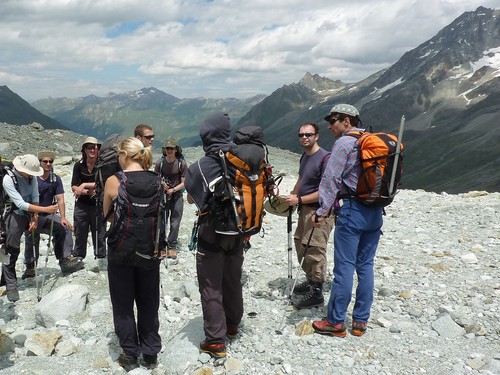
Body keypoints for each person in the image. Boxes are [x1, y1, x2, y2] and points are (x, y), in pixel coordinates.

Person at [311, 104, 383, 338]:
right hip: (375, 211)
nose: (329, 126)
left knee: (344, 268)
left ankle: (336, 322)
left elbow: (330, 179)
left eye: (333, 121)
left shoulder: (344, 143)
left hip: (352, 210)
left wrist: (322, 211)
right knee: (366, 266)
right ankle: (361, 321)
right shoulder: (371, 140)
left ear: (346, 121)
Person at [184, 112, 244, 359]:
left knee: (210, 285)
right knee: (232, 279)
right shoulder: (243, 157)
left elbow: (191, 198)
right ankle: (232, 325)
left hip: (212, 231)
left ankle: (215, 340)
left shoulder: (201, 166)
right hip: (240, 230)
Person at [103, 137, 161, 371]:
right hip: (150, 248)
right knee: (149, 301)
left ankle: (129, 352)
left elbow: (106, 215)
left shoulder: (114, 181)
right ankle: (150, 352)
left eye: (118, 154)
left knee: (123, 302)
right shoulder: (158, 180)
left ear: (125, 156)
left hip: (121, 249)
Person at [285, 123, 334, 309]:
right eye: (301, 135)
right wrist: (292, 196)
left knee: (314, 248)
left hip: (319, 211)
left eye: (308, 134)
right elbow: (301, 179)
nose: (304, 137)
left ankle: (317, 291)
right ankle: (311, 280)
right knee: (301, 243)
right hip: (305, 209)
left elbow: (326, 191)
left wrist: (299, 199)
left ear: (317, 136)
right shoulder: (305, 156)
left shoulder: (325, 158)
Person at [0, 154, 58, 302]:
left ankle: (10, 276)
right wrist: (46, 210)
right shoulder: (8, 179)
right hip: (14, 214)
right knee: (11, 248)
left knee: (30, 239)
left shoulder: (31, 178)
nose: (33, 175)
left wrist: (35, 216)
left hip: (29, 213)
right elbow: (19, 203)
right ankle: (11, 285)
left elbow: (35, 196)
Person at [22, 151, 83, 278]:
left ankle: (65, 258)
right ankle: (30, 266)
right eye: (45, 161)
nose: (48, 164)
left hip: (48, 213)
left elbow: (60, 199)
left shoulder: (55, 179)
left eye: (50, 161)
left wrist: (63, 217)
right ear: (39, 163)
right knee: (31, 237)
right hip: (33, 214)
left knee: (65, 227)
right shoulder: (31, 178)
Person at [71, 137, 106, 260]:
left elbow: (104, 184)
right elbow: (73, 187)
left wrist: (84, 185)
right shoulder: (78, 166)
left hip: (98, 204)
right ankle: (78, 256)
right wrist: (88, 191)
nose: (93, 150)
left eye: (95, 147)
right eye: (90, 147)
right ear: (84, 150)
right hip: (82, 205)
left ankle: (101, 257)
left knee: (100, 233)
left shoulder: (102, 165)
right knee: (80, 232)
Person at [154, 138, 187, 260]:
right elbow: (155, 179)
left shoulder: (181, 163)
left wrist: (173, 189)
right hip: (163, 195)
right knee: (162, 220)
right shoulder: (160, 163)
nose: (169, 150)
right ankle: (162, 245)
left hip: (176, 194)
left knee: (175, 220)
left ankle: (172, 245)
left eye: (171, 148)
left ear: (176, 150)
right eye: (167, 148)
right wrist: (162, 185)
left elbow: (184, 182)